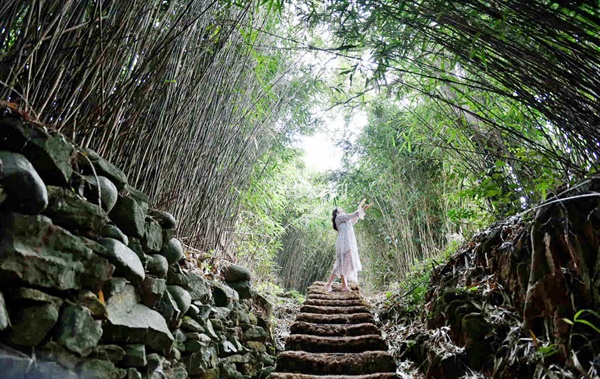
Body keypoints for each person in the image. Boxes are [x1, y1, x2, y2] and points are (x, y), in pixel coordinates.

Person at [324, 198, 373, 292]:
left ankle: (332, 284)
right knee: (342, 263)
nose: (341, 208)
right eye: (339, 208)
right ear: (336, 213)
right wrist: (360, 207)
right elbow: (352, 215)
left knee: (342, 263)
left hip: (348, 243)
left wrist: (363, 208)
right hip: (343, 243)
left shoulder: (346, 221)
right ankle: (342, 285)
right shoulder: (339, 218)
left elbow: (355, 218)